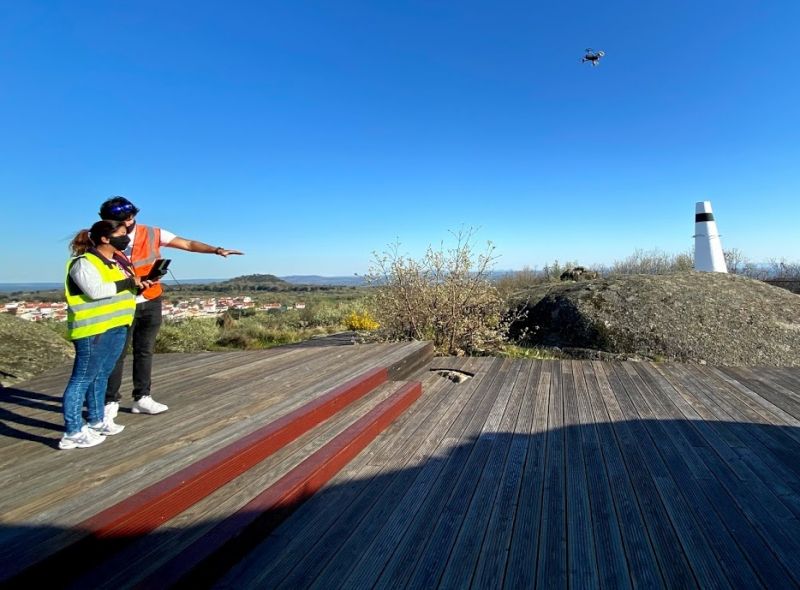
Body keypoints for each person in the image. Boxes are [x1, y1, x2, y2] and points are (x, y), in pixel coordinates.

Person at [99, 196, 243, 420]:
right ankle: (109, 402)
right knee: (116, 354)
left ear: (131, 217)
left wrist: (216, 250)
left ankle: (142, 398)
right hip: (119, 302)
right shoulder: (100, 235)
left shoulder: (152, 233)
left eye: (120, 220)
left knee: (144, 351)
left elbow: (187, 244)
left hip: (150, 298)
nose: (116, 225)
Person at [60, 220, 150, 449]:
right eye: (121, 234)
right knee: (82, 379)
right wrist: (128, 282)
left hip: (116, 326)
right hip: (93, 330)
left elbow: (118, 291)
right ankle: (72, 432)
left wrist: (137, 286)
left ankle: (96, 421)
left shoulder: (115, 263)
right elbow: (96, 291)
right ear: (105, 239)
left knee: (101, 375)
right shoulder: (83, 263)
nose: (126, 238)